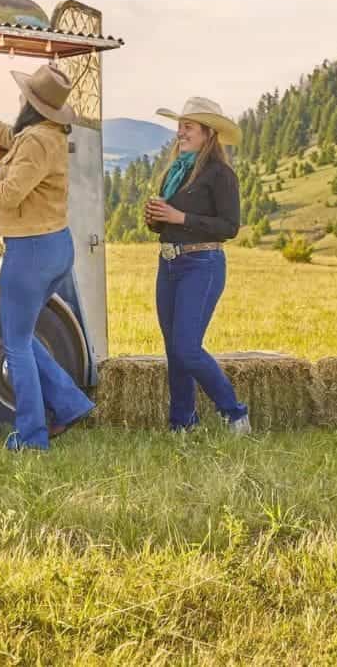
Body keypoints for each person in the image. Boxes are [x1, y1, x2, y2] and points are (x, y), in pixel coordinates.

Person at [0, 63, 94, 451]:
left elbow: (8, 194)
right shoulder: (47, 136)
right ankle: (69, 403)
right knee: (23, 336)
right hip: (55, 247)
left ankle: (32, 437)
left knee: (15, 342)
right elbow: (11, 138)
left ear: (31, 103)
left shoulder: (36, 141)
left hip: (30, 251)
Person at [142, 98, 250, 435]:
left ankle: (235, 414)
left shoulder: (221, 174)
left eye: (188, 126)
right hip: (170, 262)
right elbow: (167, 226)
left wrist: (180, 216)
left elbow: (230, 226)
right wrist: (155, 220)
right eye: (180, 126)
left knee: (187, 347)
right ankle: (182, 424)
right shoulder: (175, 172)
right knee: (174, 349)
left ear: (208, 133)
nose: (180, 132)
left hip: (203, 263)